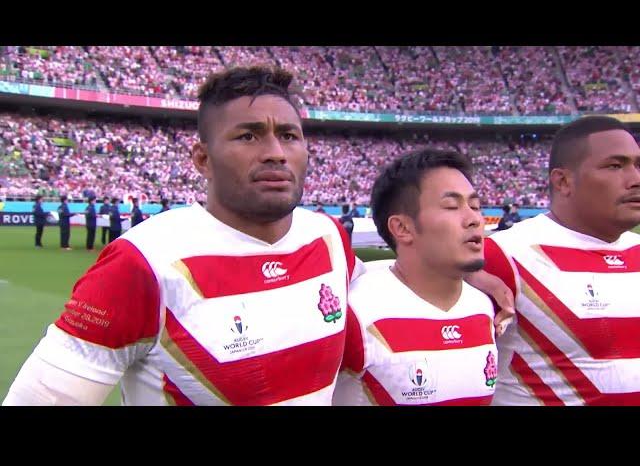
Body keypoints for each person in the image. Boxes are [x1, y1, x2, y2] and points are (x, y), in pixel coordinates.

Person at [3, 65, 511, 406]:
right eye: (248, 135)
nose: (275, 151)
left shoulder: (327, 237)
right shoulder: (143, 263)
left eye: (288, 135)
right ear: (201, 158)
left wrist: (472, 277)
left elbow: (385, 275)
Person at [483, 116, 640, 405]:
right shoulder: (503, 255)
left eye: (638, 165)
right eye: (615, 166)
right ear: (563, 181)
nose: (635, 179)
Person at [333, 149, 499, 406]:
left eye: (475, 206)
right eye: (452, 206)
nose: (474, 219)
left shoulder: (485, 307)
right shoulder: (353, 313)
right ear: (402, 228)